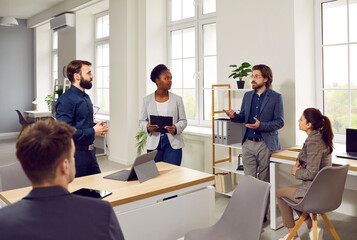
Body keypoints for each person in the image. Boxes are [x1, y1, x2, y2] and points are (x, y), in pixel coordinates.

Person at [0, 119, 124, 240]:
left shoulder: (4, 220)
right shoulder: (101, 212)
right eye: (72, 155)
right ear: (65, 165)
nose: (74, 160)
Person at [277, 108, 333, 240]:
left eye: (301, 119)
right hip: (323, 190)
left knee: (280, 194)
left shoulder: (313, 142)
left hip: (314, 192)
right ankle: (312, 228)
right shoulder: (319, 137)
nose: (298, 121)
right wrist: (298, 161)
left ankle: (293, 235)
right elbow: (305, 155)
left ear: (309, 125)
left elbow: (312, 173)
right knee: (292, 196)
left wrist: (297, 172)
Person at [224, 64, 284, 183]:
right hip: (247, 143)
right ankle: (252, 202)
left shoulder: (276, 97)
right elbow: (243, 117)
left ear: (266, 78)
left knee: (264, 180)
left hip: (265, 144)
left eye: (256, 76)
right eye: (252, 76)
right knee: (249, 180)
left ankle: (264, 202)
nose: (253, 79)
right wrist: (234, 116)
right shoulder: (247, 96)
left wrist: (261, 126)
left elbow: (279, 122)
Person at [56, 60, 108, 177]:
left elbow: (84, 123)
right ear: (77, 76)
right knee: (78, 192)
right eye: (88, 73)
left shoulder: (86, 97)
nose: (92, 76)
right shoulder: (66, 100)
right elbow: (64, 132)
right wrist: (93, 131)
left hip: (90, 154)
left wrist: (97, 126)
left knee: (98, 189)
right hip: (75, 156)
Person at [139, 64, 187, 166]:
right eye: (166, 78)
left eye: (171, 78)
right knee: (155, 175)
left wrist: (175, 128)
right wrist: (147, 127)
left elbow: (183, 120)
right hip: (153, 143)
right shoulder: (147, 100)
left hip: (173, 143)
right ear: (157, 80)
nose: (170, 81)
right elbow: (141, 121)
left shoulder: (177, 99)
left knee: (172, 175)